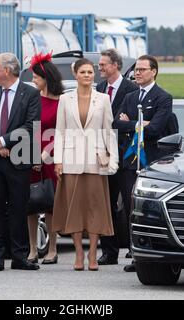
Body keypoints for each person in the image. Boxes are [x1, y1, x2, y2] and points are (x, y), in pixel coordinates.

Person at [52, 58, 119, 271]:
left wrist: (113, 159)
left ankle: (92, 255)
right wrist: (58, 161)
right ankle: (78, 255)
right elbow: (60, 131)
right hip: (71, 161)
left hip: (96, 161)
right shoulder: (65, 99)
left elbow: (109, 132)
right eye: (83, 72)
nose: (88, 75)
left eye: (91, 72)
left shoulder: (103, 99)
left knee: (95, 209)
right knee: (74, 209)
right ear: (76, 74)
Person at [0, 52, 41, 271]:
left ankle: (19, 256)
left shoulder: (30, 93)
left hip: (19, 159)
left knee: (18, 208)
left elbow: (32, 126)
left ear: (7, 70)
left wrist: (5, 141)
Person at [113, 55, 173, 272]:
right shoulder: (130, 97)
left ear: (153, 71)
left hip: (151, 161)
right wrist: (141, 124)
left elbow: (156, 129)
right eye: (136, 70)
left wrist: (133, 123)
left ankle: (150, 254)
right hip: (130, 160)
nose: (137, 73)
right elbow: (116, 123)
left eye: (142, 69)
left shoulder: (163, 97)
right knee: (131, 208)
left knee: (147, 209)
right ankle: (135, 256)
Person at [96, 48, 138, 265]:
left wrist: (123, 123)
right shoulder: (100, 88)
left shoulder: (132, 89)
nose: (99, 67)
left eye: (103, 64)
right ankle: (109, 252)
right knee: (107, 204)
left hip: (125, 155)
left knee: (130, 204)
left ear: (115, 65)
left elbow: (124, 124)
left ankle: (134, 249)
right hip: (104, 155)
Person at [26, 52, 63, 264]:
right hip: (30, 154)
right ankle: (32, 248)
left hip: (51, 156)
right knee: (30, 204)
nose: (33, 81)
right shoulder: (33, 100)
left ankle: (52, 248)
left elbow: (61, 132)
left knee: (50, 203)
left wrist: (45, 154)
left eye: (36, 78)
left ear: (46, 77)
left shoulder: (61, 102)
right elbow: (28, 128)